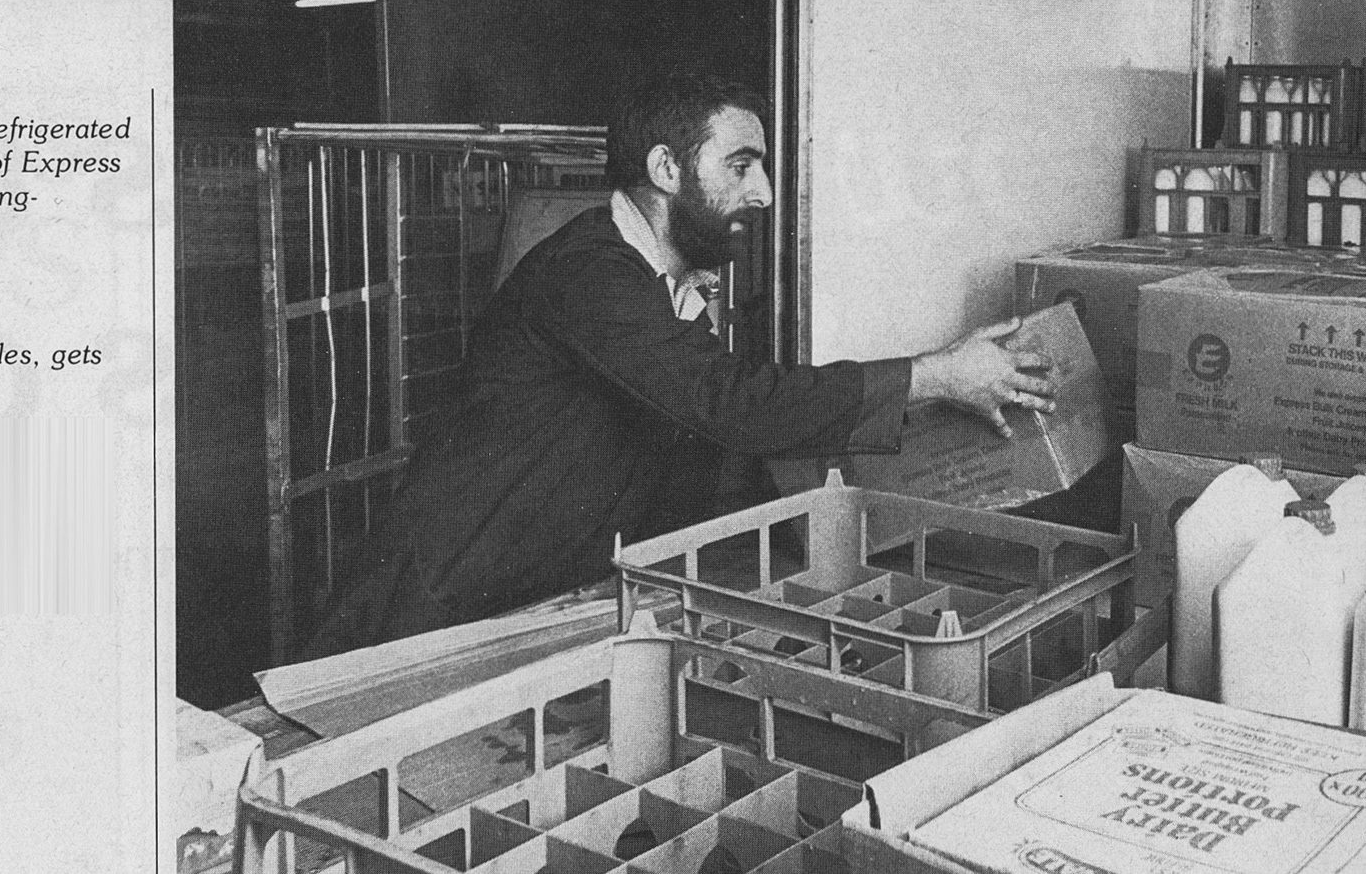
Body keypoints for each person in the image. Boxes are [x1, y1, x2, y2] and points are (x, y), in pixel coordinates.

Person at [296, 68, 1054, 659]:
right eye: (741, 165)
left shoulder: (650, 281)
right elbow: (734, 403)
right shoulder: (588, 275)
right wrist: (939, 374)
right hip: (426, 615)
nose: (761, 192)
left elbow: (699, 438)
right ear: (665, 167)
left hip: (522, 604)